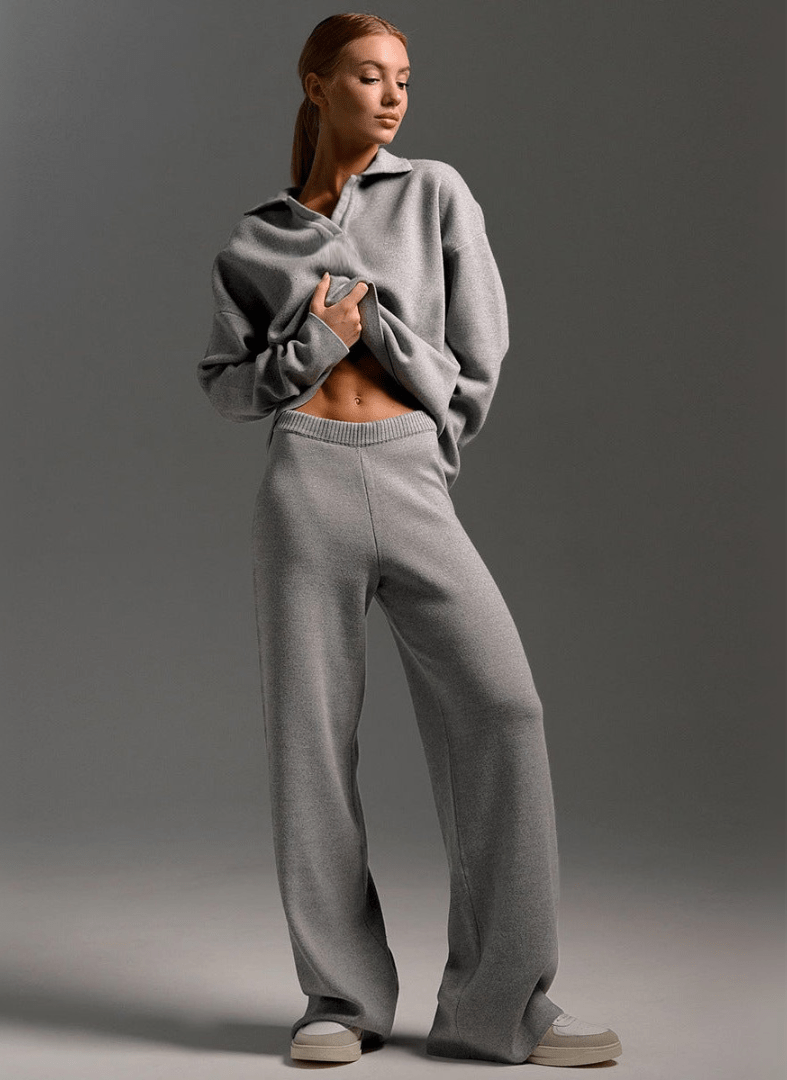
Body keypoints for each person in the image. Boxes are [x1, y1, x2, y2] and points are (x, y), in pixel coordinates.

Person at [198, 12, 621, 1069]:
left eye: (403, 79)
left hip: (409, 472)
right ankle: (339, 1000)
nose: (392, 96)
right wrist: (313, 345)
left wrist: (428, 434)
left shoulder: (436, 192)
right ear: (315, 83)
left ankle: (502, 1006)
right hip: (304, 480)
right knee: (311, 744)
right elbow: (226, 386)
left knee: (503, 707)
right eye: (368, 76)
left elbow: (481, 351)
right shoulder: (258, 237)